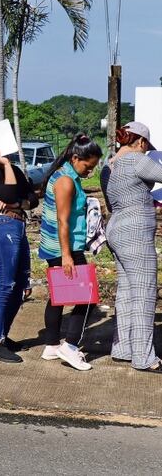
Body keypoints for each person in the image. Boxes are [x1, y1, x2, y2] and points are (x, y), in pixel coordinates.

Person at [38, 133, 103, 372]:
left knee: (59, 295)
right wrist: (67, 255)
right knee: (87, 297)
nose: (91, 171)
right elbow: (63, 221)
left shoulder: (65, 175)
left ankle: (51, 345)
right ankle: (71, 346)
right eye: (89, 165)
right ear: (76, 158)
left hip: (54, 246)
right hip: (64, 247)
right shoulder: (65, 181)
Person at [102, 122, 162, 373]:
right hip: (135, 229)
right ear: (142, 143)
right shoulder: (138, 159)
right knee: (144, 292)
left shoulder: (109, 164)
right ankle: (144, 357)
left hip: (116, 226)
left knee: (126, 291)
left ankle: (123, 349)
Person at [0, 142, 38, 363]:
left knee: (21, 286)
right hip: (2, 226)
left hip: (18, 226)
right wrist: (4, 165)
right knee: (5, 285)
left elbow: (32, 199)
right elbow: (10, 191)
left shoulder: (15, 171)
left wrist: (16, 202)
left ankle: (2, 336)